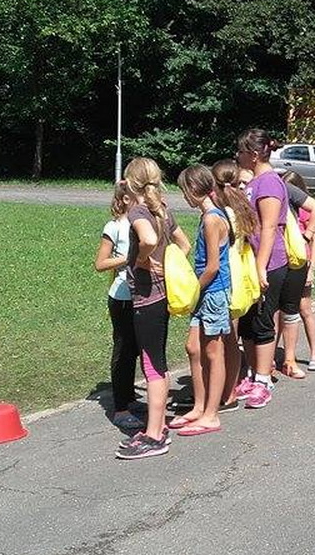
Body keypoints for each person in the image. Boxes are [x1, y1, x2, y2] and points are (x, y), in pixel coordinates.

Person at [116, 157, 190, 460]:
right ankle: (158, 427)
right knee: (157, 363)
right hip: (161, 298)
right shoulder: (162, 209)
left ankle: (154, 436)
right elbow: (184, 245)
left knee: (152, 366)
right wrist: (169, 266)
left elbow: (147, 239)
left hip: (147, 301)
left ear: (130, 183)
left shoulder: (138, 211)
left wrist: (143, 260)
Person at [170, 164, 233, 436]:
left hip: (213, 292)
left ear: (195, 189)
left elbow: (213, 267)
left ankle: (211, 415)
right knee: (193, 347)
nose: (184, 196)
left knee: (213, 353)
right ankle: (199, 406)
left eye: (185, 190)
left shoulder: (212, 219)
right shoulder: (206, 215)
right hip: (205, 292)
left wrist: (191, 291)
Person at [234, 129, 291, 409]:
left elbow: (268, 228)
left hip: (268, 263)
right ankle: (251, 374)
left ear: (254, 154)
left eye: (241, 151)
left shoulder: (269, 183)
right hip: (250, 261)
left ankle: (263, 380)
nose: (237, 156)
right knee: (247, 321)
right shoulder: (255, 181)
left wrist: (260, 268)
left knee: (263, 321)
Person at [210, 159, 260, 407]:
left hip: (225, 279)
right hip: (238, 277)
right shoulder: (240, 209)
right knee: (231, 337)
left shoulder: (223, 214)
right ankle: (229, 389)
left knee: (225, 340)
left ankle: (226, 392)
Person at [93, 182, 141, 430]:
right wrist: (127, 259)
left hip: (143, 295)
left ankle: (130, 397)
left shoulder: (142, 223)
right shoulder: (114, 227)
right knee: (124, 350)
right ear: (124, 200)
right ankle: (121, 408)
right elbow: (100, 263)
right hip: (122, 297)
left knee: (137, 348)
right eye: (137, 195)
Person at [279, 171, 315, 378]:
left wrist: (311, 269)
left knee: (305, 308)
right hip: (285, 263)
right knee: (282, 310)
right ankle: (278, 355)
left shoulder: (304, 211)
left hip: (302, 263)